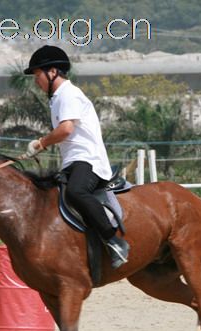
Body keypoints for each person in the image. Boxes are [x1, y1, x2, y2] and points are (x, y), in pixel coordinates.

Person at [23, 45, 129, 268]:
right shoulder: (57, 98)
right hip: (73, 162)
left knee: (76, 191)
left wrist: (40, 143)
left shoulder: (68, 94)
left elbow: (66, 130)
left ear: (52, 72)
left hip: (88, 160)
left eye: (37, 75)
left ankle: (114, 240)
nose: (36, 81)